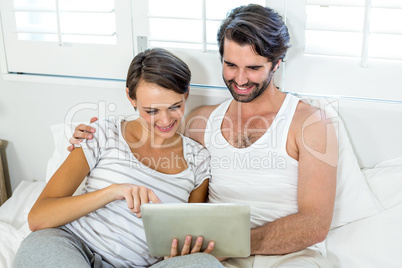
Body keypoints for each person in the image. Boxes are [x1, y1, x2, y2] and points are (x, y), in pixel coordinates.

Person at [69, 4, 338, 268]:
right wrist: (95, 135)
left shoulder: (310, 124)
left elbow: (314, 224)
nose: (240, 79)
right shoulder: (201, 123)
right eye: (231, 65)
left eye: (253, 68)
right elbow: (154, 142)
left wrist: (226, 242)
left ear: (276, 63)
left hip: (286, 256)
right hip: (207, 258)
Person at [13, 48, 224, 268]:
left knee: (204, 264)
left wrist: (178, 253)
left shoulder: (198, 159)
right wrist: (113, 191)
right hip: (72, 246)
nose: (165, 120)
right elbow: (38, 217)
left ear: (186, 93)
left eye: (175, 107)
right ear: (131, 97)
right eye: (151, 111)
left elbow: (187, 233)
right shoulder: (102, 132)